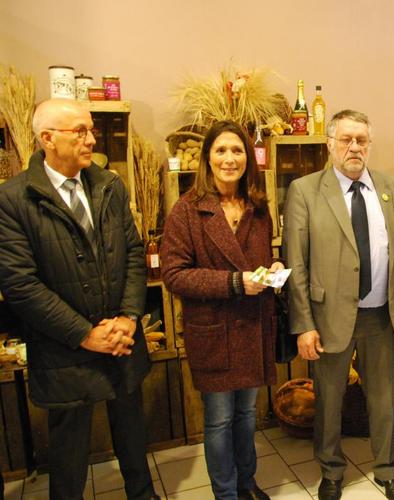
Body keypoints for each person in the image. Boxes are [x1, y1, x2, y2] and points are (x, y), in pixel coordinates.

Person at [0, 99, 156, 500]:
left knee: (133, 436)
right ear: (47, 138)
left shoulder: (109, 185)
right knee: (69, 451)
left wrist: (129, 318)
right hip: (64, 349)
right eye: (80, 131)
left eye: (91, 130)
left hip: (121, 339)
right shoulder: (15, 200)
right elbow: (20, 284)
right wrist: (85, 334)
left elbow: (134, 254)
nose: (91, 139)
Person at [283, 110, 394, 500]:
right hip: (327, 319)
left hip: (380, 316)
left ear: (369, 144)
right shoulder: (305, 190)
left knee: (383, 400)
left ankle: (388, 469)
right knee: (329, 402)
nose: (354, 147)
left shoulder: (392, 188)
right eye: (346, 140)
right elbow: (296, 262)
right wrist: (303, 323)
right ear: (330, 144)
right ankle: (332, 471)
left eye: (361, 140)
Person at [161, 120, 280, 500]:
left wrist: (274, 268)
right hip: (213, 332)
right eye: (221, 151)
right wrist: (233, 283)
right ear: (207, 159)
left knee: (247, 416)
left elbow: (261, 259)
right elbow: (174, 275)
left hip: (253, 328)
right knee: (219, 419)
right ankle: (226, 493)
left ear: (249, 159)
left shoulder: (259, 209)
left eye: (237, 151)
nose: (230, 159)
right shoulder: (187, 210)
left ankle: (247, 484)